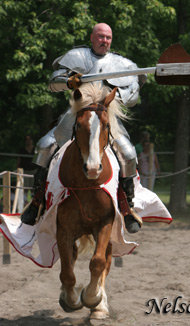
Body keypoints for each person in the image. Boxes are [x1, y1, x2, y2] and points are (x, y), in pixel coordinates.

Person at [21, 23, 147, 233]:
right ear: (92, 38)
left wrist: (116, 93)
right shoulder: (77, 57)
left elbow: (133, 94)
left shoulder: (122, 63)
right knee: (45, 146)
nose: (104, 41)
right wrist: (69, 82)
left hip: (107, 115)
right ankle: (37, 201)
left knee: (128, 153)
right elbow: (54, 83)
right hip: (78, 113)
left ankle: (127, 207)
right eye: (100, 37)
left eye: (108, 37)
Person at [17, 135, 37, 204]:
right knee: (25, 187)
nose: (28, 141)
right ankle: (24, 202)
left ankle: (33, 202)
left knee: (33, 187)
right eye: (27, 139)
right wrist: (18, 170)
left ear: (32, 140)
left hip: (34, 171)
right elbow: (19, 161)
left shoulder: (35, 150)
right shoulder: (22, 150)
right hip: (25, 171)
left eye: (30, 139)